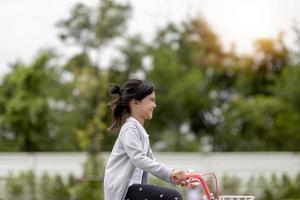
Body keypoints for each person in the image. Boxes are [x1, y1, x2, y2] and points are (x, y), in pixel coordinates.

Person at [104, 79, 187, 200]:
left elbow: (151, 162)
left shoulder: (140, 132)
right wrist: (171, 172)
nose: (155, 105)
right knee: (174, 197)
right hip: (124, 192)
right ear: (135, 103)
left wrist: (175, 178)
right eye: (151, 100)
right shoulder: (130, 130)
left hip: (133, 190)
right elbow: (139, 159)